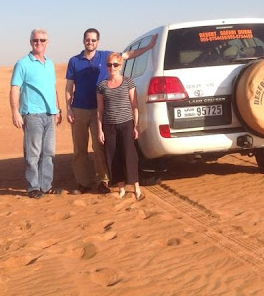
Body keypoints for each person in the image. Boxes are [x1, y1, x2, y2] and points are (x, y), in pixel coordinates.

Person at [65, 28, 156, 195]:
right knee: (79, 148)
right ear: (83, 40)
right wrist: (68, 108)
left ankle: (103, 180)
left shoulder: (105, 56)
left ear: (97, 41)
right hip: (79, 109)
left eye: (93, 40)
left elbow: (128, 55)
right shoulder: (74, 61)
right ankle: (83, 182)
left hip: (102, 111)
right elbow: (69, 87)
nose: (90, 42)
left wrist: (149, 46)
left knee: (100, 146)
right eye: (87, 39)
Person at [10, 28, 63, 199]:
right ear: (30, 42)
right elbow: (15, 88)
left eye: (42, 40)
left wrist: (57, 109)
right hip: (32, 114)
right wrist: (15, 112)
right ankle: (33, 187)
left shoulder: (49, 64)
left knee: (48, 153)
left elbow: (52, 88)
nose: (38, 43)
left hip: (49, 114)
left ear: (47, 42)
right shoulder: (23, 63)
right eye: (35, 40)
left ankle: (46, 186)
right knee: (33, 153)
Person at [96, 53, 144, 200]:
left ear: (121, 66)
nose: (112, 67)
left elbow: (134, 105)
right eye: (110, 65)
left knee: (130, 156)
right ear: (106, 66)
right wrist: (100, 130)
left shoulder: (128, 82)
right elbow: (100, 110)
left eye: (116, 64)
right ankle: (121, 187)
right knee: (113, 157)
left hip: (126, 124)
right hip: (109, 126)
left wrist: (135, 126)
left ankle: (136, 187)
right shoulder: (101, 85)